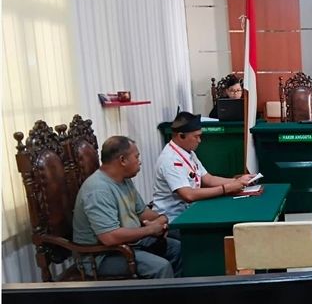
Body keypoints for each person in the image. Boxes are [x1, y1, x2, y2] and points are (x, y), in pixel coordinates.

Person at [72, 136, 182, 279]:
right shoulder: (98, 190)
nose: (139, 161)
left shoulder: (124, 179)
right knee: (161, 267)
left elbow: (142, 212)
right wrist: (150, 230)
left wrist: (162, 219)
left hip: (128, 244)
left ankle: (180, 291)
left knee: (178, 247)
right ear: (123, 160)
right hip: (102, 255)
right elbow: (110, 237)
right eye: (136, 157)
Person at [152, 111, 256, 224]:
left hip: (190, 211)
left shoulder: (188, 153)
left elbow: (208, 179)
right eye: (196, 137)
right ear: (181, 136)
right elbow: (188, 195)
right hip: (173, 219)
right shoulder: (170, 159)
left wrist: (238, 181)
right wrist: (226, 188)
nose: (199, 141)